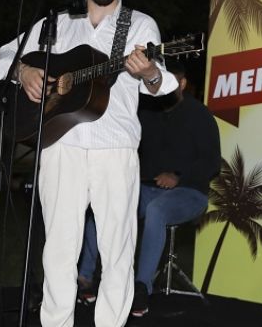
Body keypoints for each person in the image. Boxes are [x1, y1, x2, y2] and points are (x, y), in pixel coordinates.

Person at [0, 0, 177, 327]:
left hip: (116, 148)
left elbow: (160, 86)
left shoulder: (140, 25)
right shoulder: (56, 23)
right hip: (60, 145)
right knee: (59, 249)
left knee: (117, 249)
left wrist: (149, 72)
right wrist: (24, 71)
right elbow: (4, 56)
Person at [77, 59, 221, 317]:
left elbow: (211, 162)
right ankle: (84, 280)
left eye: (165, 80)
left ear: (182, 83)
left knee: (156, 209)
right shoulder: (146, 113)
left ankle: (141, 288)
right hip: (147, 189)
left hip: (190, 192)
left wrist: (178, 177)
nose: (158, 84)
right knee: (103, 201)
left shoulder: (200, 115)